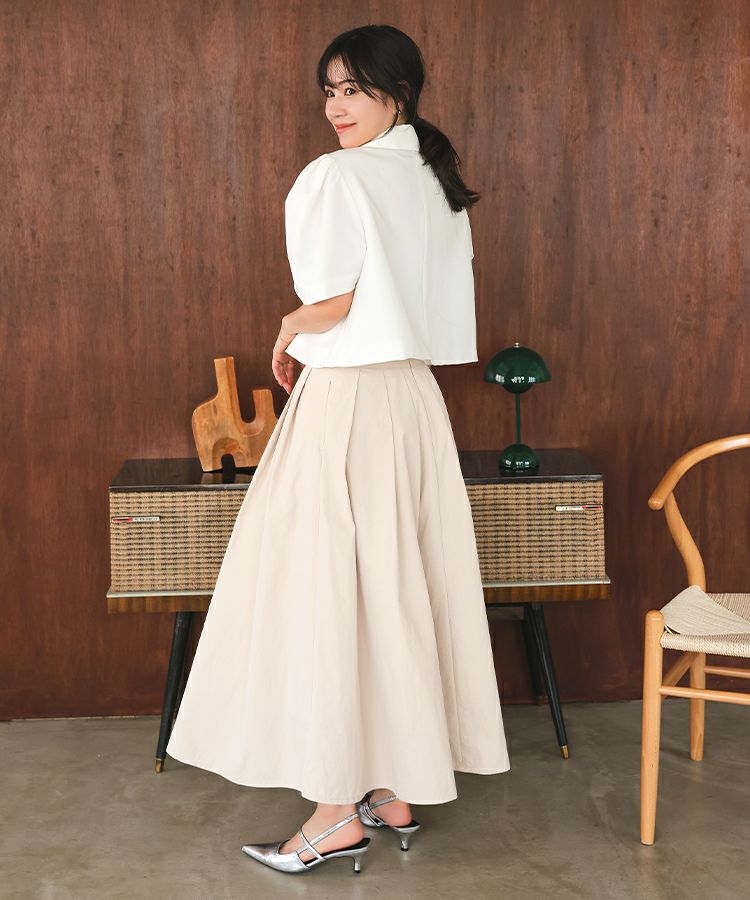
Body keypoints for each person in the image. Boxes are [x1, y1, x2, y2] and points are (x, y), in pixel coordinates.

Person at [166, 24, 510, 876]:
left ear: (399, 91)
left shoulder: (336, 177)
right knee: (395, 584)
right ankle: (389, 789)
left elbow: (335, 299)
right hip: (413, 403)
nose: (336, 107)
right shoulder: (434, 180)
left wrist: (288, 325)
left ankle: (332, 815)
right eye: (330, 90)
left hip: (351, 399)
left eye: (353, 88)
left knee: (328, 590)